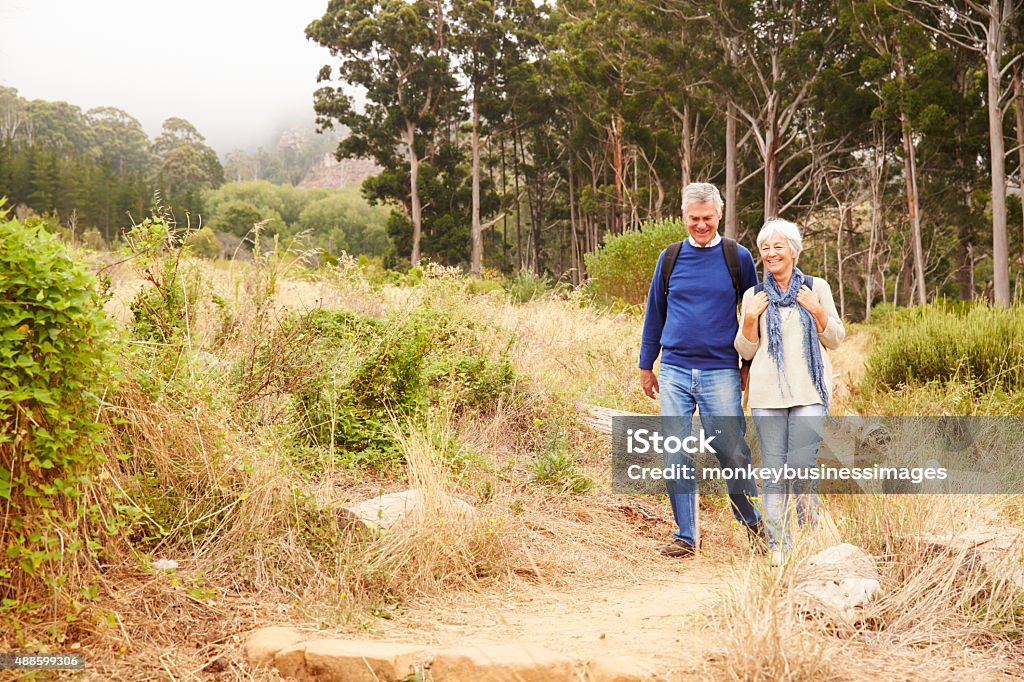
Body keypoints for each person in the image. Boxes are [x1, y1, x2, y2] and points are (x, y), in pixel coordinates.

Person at [639, 182, 764, 558]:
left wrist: (748, 364)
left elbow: (754, 316)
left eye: (707, 218)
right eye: (694, 218)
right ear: (683, 216)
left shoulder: (737, 257)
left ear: (719, 215)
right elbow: (654, 314)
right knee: (674, 451)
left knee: (731, 451)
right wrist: (647, 365)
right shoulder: (670, 257)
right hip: (675, 370)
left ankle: (754, 522)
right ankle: (685, 536)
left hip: (721, 372)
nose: (701, 225)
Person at [734, 218, 845, 566]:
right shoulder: (754, 295)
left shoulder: (816, 287)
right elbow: (745, 351)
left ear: (794, 251)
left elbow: (836, 339)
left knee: (801, 463)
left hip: (809, 391)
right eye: (765, 248)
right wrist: (750, 320)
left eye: (777, 246)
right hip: (767, 394)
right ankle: (778, 545)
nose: (770, 253)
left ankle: (810, 537)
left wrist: (816, 310)